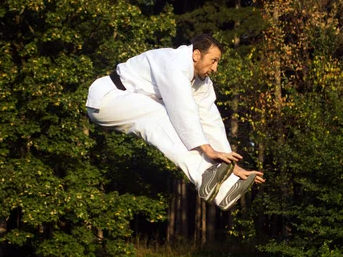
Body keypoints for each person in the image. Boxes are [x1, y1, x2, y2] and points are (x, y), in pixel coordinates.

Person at [85, 34, 264, 210]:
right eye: (213, 60)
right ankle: (204, 175)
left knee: (173, 120)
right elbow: (182, 110)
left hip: (128, 102)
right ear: (196, 55)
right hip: (106, 99)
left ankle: (224, 190)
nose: (215, 68)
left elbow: (211, 122)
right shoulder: (174, 64)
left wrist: (231, 167)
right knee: (163, 116)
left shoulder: (202, 82)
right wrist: (207, 149)